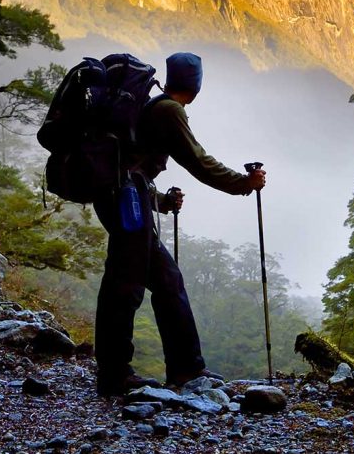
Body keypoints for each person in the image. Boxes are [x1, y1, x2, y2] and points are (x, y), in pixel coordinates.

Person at [93, 52, 267, 396]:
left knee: (167, 281)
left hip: (127, 197)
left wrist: (159, 202)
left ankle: (186, 369)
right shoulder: (169, 110)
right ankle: (114, 374)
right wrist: (243, 184)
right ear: (196, 84)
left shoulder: (153, 105)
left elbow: (132, 162)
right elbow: (198, 160)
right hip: (128, 199)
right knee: (124, 284)